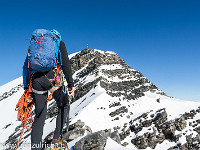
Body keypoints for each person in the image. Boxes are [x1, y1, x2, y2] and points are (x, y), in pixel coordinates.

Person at [23, 29, 75, 150]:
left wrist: (26, 86)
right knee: (64, 104)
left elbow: (26, 67)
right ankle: (57, 139)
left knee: (39, 115)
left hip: (36, 81)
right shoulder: (59, 43)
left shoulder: (35, 44)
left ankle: (36, 147)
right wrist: (70, 83)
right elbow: (65, 63)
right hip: (52, 77)